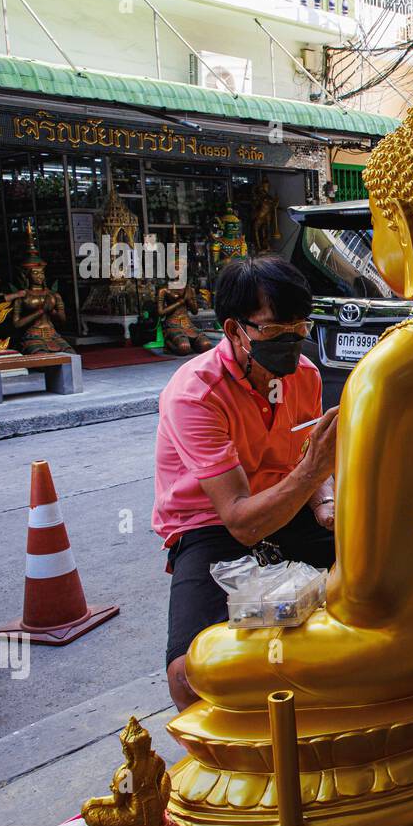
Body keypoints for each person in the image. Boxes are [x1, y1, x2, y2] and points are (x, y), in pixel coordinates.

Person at [152, 255, 338, 710]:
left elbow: (305, 457)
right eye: (276, 331)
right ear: (235, 330)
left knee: (378, 588)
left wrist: (325, 503)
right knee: (191, 671)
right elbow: (240, 521)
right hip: (211, 525)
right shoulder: (196, 394)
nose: (293, 341)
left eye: (301, 327)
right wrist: (314, 471)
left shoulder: (304, 376)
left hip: (287, 503)